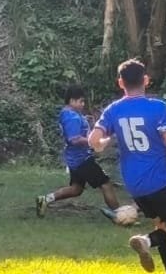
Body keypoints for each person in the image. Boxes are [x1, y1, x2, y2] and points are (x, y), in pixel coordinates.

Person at [88, 59, 166, 274]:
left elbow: (94, 141)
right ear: (146, 80)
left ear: (120, 82)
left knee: (161, 223)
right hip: (158, 180)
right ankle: (146, 241)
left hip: (134, 183)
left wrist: (106, 141)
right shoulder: (158, 108)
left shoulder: (113, 110)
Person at [36, 85, 120, 220]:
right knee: (105, 184)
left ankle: (45, 199)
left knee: (76, 189)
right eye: (81, 101)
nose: (83, 104)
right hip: (81, 159)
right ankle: (119, 214)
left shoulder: (68, 114)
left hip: (74, 158)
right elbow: (74, 139)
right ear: (72, 101)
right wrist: (93, 142)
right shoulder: (72, 117)